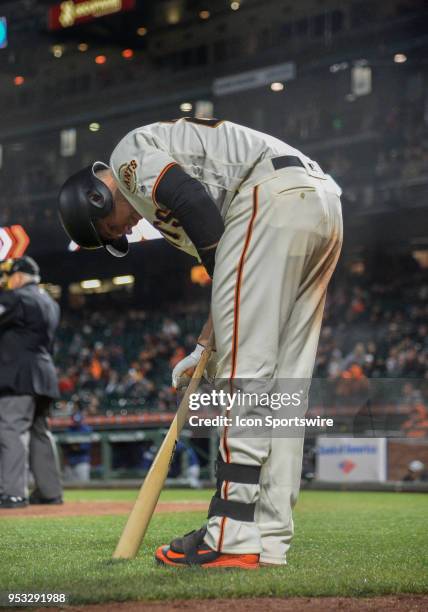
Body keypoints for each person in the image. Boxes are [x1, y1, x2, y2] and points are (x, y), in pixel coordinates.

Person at [58, 117, 342, 568]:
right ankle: (267, 538)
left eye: (111, 230)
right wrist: (202, 344)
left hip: (269, 197)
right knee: (286, 389)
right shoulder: (164, 208)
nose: (126, 233)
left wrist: (230, 302)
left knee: (244, 375)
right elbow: (225, 257)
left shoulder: (125, 157)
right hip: (320, 203)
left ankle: (230, 531)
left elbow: (191, 201)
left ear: (95, 198)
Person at [0, 256, 63, 508]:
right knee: (40, 433)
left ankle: (13, 493)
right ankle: (50, 493)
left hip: (20, 376)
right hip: (45, 374)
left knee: (12, 429)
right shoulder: (50, 302)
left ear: (18, 276)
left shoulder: (17, 298)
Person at [63, 410, 92, 482]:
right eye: (75, 421)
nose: (77, 423)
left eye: (78, 421)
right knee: (69, 487)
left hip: (82, 462)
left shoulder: (86, 429)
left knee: (84, 486)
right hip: (70, 462)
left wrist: (77, 447)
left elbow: (86, 446)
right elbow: (65, 446)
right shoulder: (69, 430)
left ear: (82, 420)